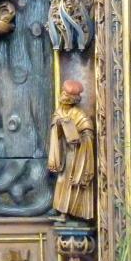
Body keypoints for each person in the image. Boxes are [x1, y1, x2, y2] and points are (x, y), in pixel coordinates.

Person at [47, 80, 95, 221]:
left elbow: (88, 133)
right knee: (62, 182)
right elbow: (55, 131)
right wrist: (59, 125)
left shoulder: (80, 115)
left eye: (66, 95)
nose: (63, 96)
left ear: (72, 99)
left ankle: (71, 214)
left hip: (77, 155)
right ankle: (62, 211)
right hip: (65, 154)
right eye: (63, 93)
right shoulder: (59, 112)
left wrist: (79, 138)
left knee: (73, 183)